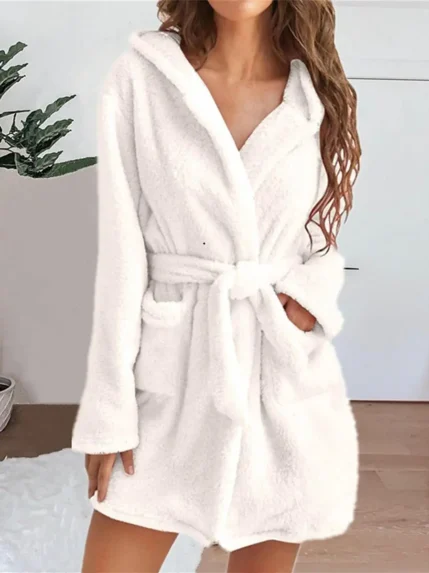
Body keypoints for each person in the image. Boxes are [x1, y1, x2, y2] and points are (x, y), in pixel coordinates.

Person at [71, 0, 362, 571]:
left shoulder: (314, 92)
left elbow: (319, 234)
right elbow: (121, 254)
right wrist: (110, 411)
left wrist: (309, 294)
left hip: (277, 377)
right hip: (175, 370)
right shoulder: (142, 80)